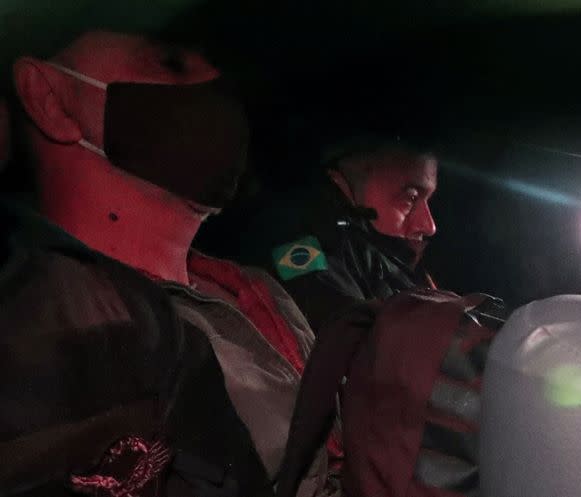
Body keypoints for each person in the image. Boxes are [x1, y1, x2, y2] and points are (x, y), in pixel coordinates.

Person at [10, 30, 337, 496]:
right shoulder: (45, 338)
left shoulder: (255, 287)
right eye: (171, 64)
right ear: (51, 101)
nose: (220, 101)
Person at [252, 137, 439, 332]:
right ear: (340, 183)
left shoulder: (390, 267)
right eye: (410, 198)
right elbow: (352, 340)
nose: (429, 226)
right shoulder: (299, 245)